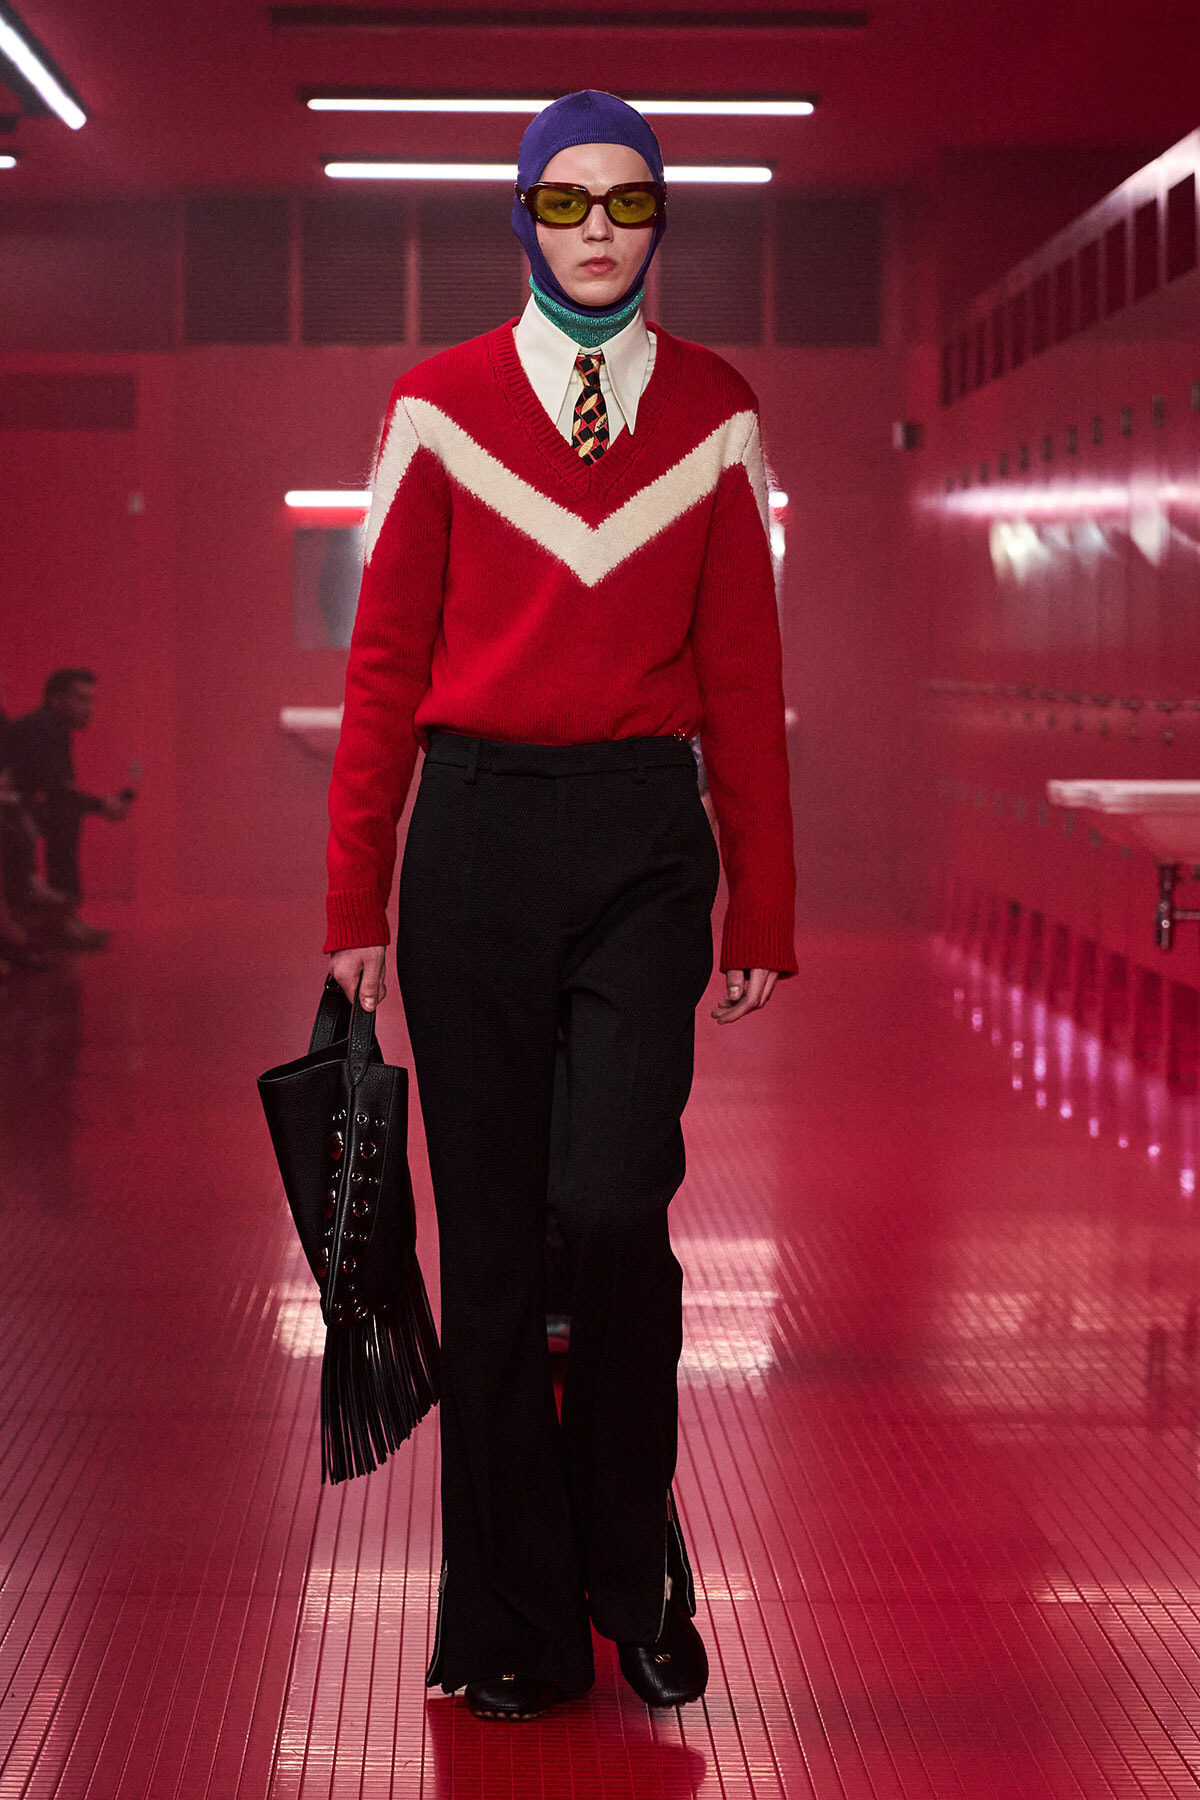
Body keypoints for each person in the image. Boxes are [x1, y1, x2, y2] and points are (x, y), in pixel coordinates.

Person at [324, 90, 797, 1723]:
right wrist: (354, 894)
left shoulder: (720, 413)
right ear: (522, 220)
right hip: (468, 840)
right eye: (566, 204)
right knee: (498, 1258)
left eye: (629, 203)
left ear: (660, 221)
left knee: (610, 1208)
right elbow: (383, 671)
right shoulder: (438, 409)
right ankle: (517, 1616)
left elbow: (745, 672)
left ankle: (632, 1556)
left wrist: (765, 903)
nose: (598, 232)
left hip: (642, 844)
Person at [8, 669, 131, 950]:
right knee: (64, 816)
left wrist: (100, 805)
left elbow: (59, 791)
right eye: (80, 699)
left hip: (16, 810)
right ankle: (62, 920)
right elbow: (60, 794)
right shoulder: (43, 729)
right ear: (55, 699)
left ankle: (65, 916)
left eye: (91, 700)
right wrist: (102, 805)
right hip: (9, 813)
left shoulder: (53, 728)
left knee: (64, 815)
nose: (88, 708)